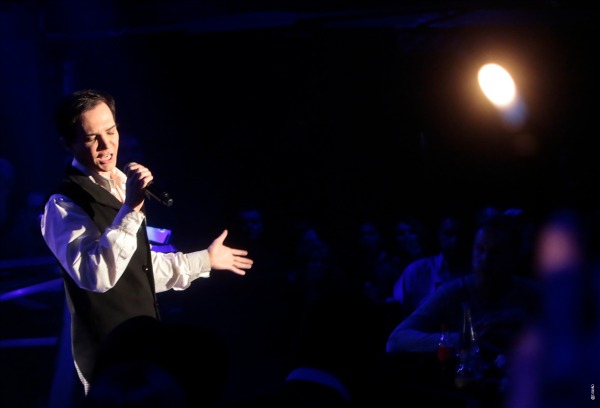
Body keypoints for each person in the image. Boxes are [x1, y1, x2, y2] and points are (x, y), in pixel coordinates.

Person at [39, 89, 254, 394]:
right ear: (68, 144)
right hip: (110, 357)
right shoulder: (62, 204)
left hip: (147, 344)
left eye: (111, 131)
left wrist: (205, 259)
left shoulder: (120, 184)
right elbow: (96, 275)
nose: (106, 145)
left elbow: (138, 269)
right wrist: (130, 209)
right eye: (91, 138)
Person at [385, 214, 540, 405]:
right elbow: (396, 341)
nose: (485, 259)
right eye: (480, 249)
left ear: (514, 257)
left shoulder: (534, 295)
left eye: (495, 252)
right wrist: (463, 339)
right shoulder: (455, 292)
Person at [391, 209, 473, 318]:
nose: (455, 241)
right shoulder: (416, 271)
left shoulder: (476, 272)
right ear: (439, 235)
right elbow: (396, 309)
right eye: (449, 234)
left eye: (461, 235)